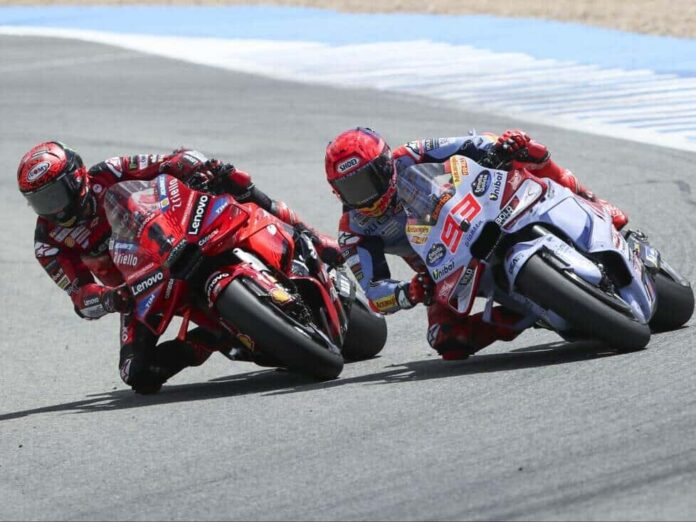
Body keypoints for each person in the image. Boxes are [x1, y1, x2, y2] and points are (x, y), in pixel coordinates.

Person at [18, 141, 339, 393]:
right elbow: (79, 297)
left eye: (54, 196)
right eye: (40, 202)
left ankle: (308, 235)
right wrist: (109, 299)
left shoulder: (110, 171)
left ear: (76, 178)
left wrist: (199, 166)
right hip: (138, 285)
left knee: (234, 182)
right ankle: (214, 337)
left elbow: (168, 160)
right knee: (136, 374)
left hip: (175, 229)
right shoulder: (48, 242)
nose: (52, 210)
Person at [324, 127, 628, 360]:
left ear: (385, 164)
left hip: (481, 207)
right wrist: (409, 291)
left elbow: (475, 142)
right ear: (337, 192)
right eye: (351, 189)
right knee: (445, 340)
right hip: (444, 270)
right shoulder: (353, 231)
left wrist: (503, 146)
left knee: (526, 151)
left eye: (367, 180)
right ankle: (530, 315)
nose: (365, 197)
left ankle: (591, 200)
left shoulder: (412, 154)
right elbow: (375, 293)